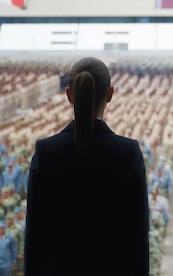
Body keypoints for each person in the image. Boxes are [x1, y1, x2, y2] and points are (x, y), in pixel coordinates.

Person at [24, 57, 149, 276]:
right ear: (109, 94)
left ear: (69, 95)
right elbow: (138, 237)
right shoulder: (128, 153)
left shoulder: (46, 152)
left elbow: (34, 236)